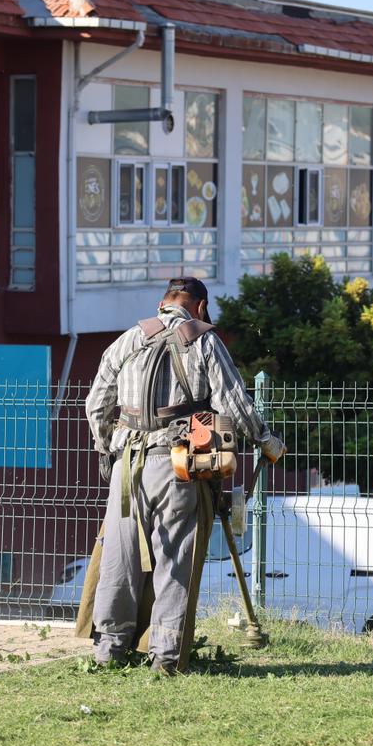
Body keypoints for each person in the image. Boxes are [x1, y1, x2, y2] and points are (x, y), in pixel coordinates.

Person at [80, 277, 285, 674]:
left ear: (163, 303)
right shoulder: (204, 341)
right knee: (174, 559)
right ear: (201, 307)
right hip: (176, 465)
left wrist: (108, 450)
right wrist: (265, 440)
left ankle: (109, 652)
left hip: (126, 466)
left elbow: (96, 405)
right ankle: (167, 657)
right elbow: (233, 402)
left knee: (120, 558)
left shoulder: (128, 339)